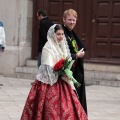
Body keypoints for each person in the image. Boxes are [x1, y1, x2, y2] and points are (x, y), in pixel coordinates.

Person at [20, 24, 88, 120]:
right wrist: (60, 72)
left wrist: (66, 70)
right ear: (53, 34)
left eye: (62, 34)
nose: (61, 37)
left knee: (68, 109)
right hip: (49, 83)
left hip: (63, 81)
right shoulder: (47, 48)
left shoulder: (62, 47)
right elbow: (47, 68)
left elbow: (66, 59)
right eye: (58, 34)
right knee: (50, 109)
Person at [62, 9, 87, 114]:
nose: (72, 22)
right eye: (69, 20)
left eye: (74, 20)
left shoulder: (72, 33)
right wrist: (76, 55)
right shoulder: (61, 33)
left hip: (76, 71)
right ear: (64, 20)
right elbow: (60, 53)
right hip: (66, 73)